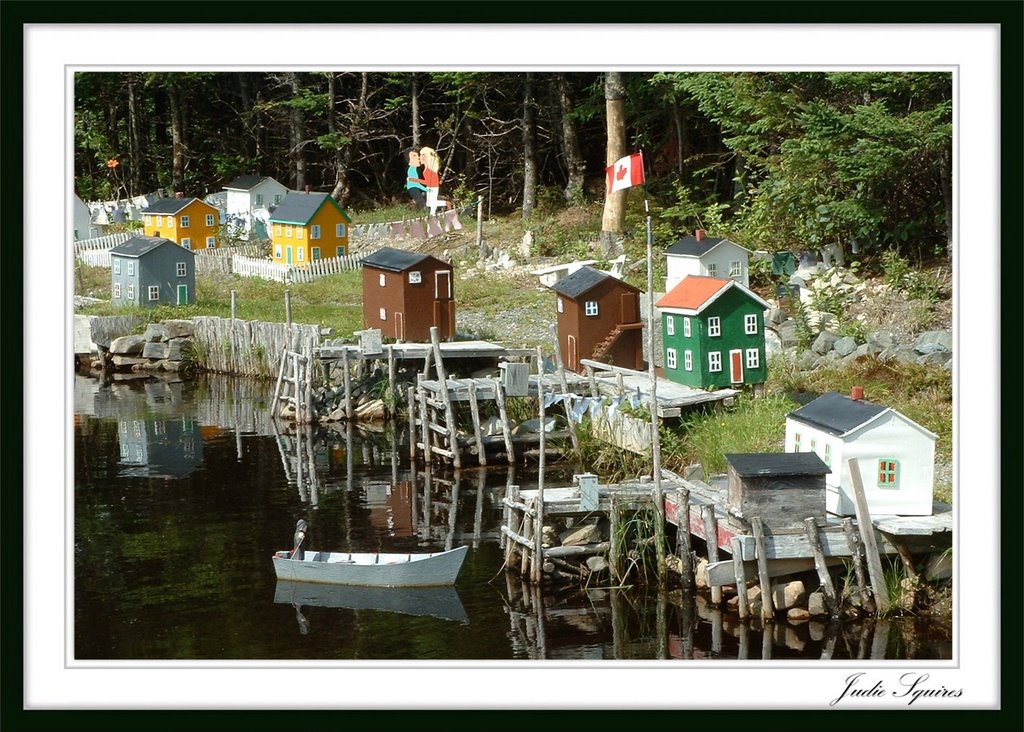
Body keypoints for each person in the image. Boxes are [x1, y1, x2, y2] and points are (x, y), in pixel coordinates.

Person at [418, 146, 449, 215]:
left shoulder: (430, 170)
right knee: (429, 203)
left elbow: (428, 181)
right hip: (429, 187)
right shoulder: (427, 169)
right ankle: (432, 214)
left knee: (431, 202)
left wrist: (415, 180)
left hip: (433, 187)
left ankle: (446, 203)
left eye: (421, 155)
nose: (420, 157)